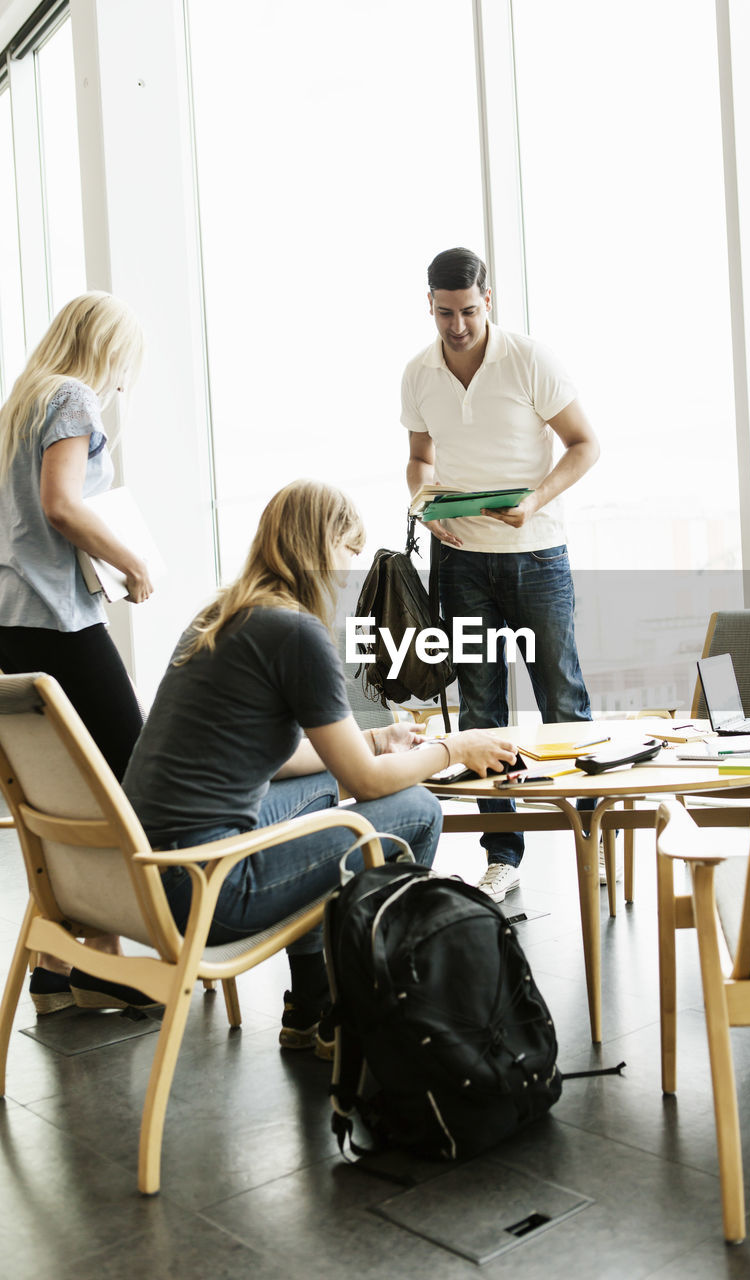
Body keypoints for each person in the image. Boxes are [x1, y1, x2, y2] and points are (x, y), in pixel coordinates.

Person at [122, 479, 516, 1058]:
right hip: (205, 890)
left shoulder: (223, 614)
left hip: (141, 872)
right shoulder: (295, 631)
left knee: (317, 787)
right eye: (347, 556)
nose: (346, 576)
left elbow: (287, 759)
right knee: (419, 810)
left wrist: (378, 737)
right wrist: (455, 750)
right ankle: (360, 1004)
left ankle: (310, 1000)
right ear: (322, 544)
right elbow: (369, 785)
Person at [403, 247, 600, 903]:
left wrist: (533, 501)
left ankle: (592, 838)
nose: (455, 326)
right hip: (459, 559)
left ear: (487, 301)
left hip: (537, 553)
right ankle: (501, 854)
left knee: (560, 700)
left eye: (465, 311)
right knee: (480, 711)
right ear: (427, 304)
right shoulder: (418, 373)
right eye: (442, 313)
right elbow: (419, 459)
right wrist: (422, 501)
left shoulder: (528, 359)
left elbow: (583, 444)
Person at [0, 291, 155, 1014]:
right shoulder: (72, 399)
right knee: (135, 779)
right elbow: (62, 505)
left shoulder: (22, 402)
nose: (125, 380)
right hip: (61, 624)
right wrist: (134, 564)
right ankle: (101, 961)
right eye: (126, 364)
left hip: (12, 623)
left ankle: (56, 967)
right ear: (107, 349)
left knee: (54, 800)